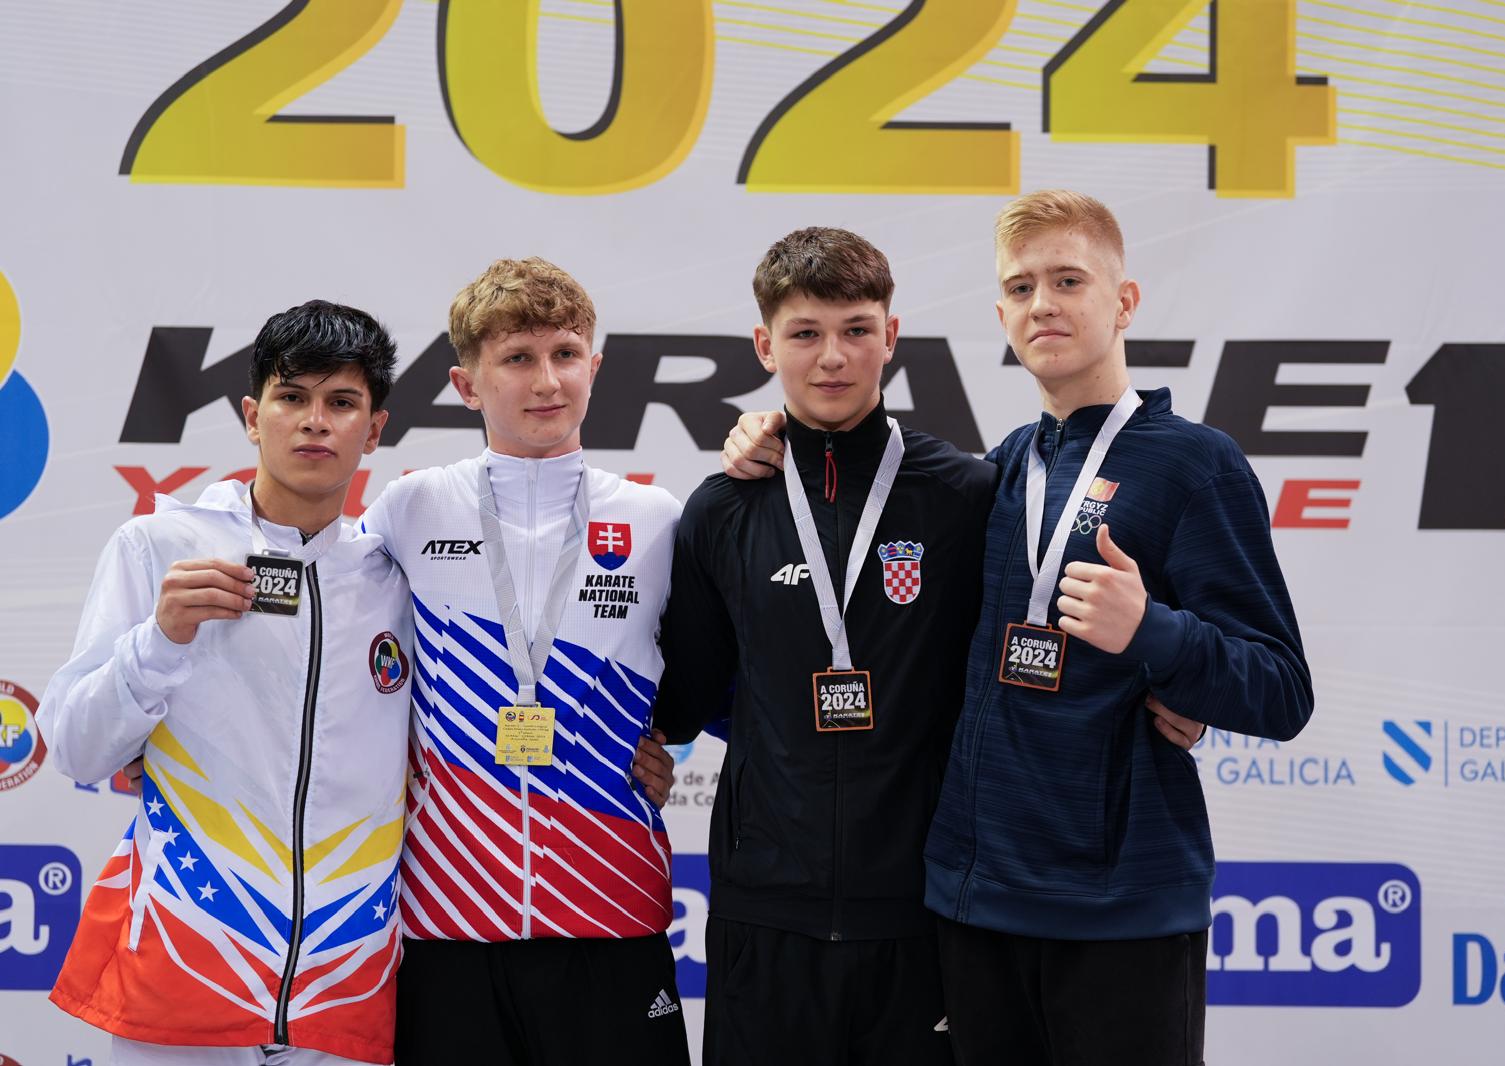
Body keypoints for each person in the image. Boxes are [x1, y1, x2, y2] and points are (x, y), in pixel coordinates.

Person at [918, 189, 1313, 1065]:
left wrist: (1154, 634)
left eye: (1069, 280)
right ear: (1001, 316)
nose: (1043, 305)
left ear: (1124, 301)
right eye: (1020, 288)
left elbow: (1282, 690)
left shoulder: (1196, 464)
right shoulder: (1003, 467)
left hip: (1121, 913)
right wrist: (766, 434)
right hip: (977, 904)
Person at [650, 226, 993, 1065]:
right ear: (765, 345)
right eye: (805, 333)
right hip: (765, 908)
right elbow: (686, 696)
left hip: (924, 908)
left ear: (891, 335)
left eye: (856, 330)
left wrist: (1163, 689)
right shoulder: (722, 509)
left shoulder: (963, 494)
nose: (832, 357)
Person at [40, 301, 414, 1065]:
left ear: (374, 429)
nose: (314, 422)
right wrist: (159, 640)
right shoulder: (160, 546)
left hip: (344, 986)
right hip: (187, 967)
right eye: (291, 397)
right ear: (252, 416)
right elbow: (76, 749)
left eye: (342, 402)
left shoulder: (396, 577)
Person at [355, 257, 689, 1066]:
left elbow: (723, 675)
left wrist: (667, 742)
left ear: (594, 367)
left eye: (565, 354)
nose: (547, 381)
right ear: (466, 384)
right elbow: (330, 648)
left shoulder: (657, 519)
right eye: (516, 358)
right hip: (449, 923)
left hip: (612, 909)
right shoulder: (410, 507)